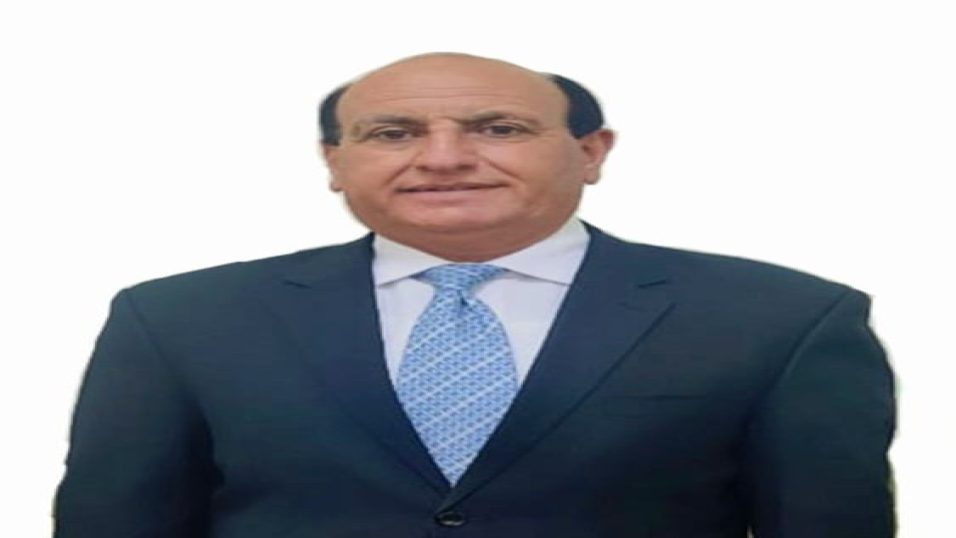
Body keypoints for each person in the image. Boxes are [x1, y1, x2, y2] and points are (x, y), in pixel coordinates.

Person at [53, 52, 896, 537]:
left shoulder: (780, 320)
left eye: (499, 129)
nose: (444, 158)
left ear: (591, 152)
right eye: (393, 133)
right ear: (335, 162)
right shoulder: (180, 320)